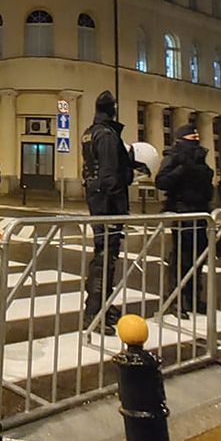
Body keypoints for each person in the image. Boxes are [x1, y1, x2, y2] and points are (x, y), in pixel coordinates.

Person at [80, 90, 134, 334]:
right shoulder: (107, 135)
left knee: (103, 251)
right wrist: (117, 207)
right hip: (108, 203)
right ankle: (94, 312)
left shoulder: (89, 133)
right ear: (112, 108)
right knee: (107, 255)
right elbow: (111, 174)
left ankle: (101, 305)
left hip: (96, 198)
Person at [155, 123, 215, 315]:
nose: (196, 140)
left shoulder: (200, 159)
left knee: (197, 261)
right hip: (182, 214)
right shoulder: (173, 156)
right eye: (191, 138)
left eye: (196, 138)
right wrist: (181, 170)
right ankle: (176, 300)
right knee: (181, 259)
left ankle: (193, 298)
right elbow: (161, 182)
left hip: (200, 213)